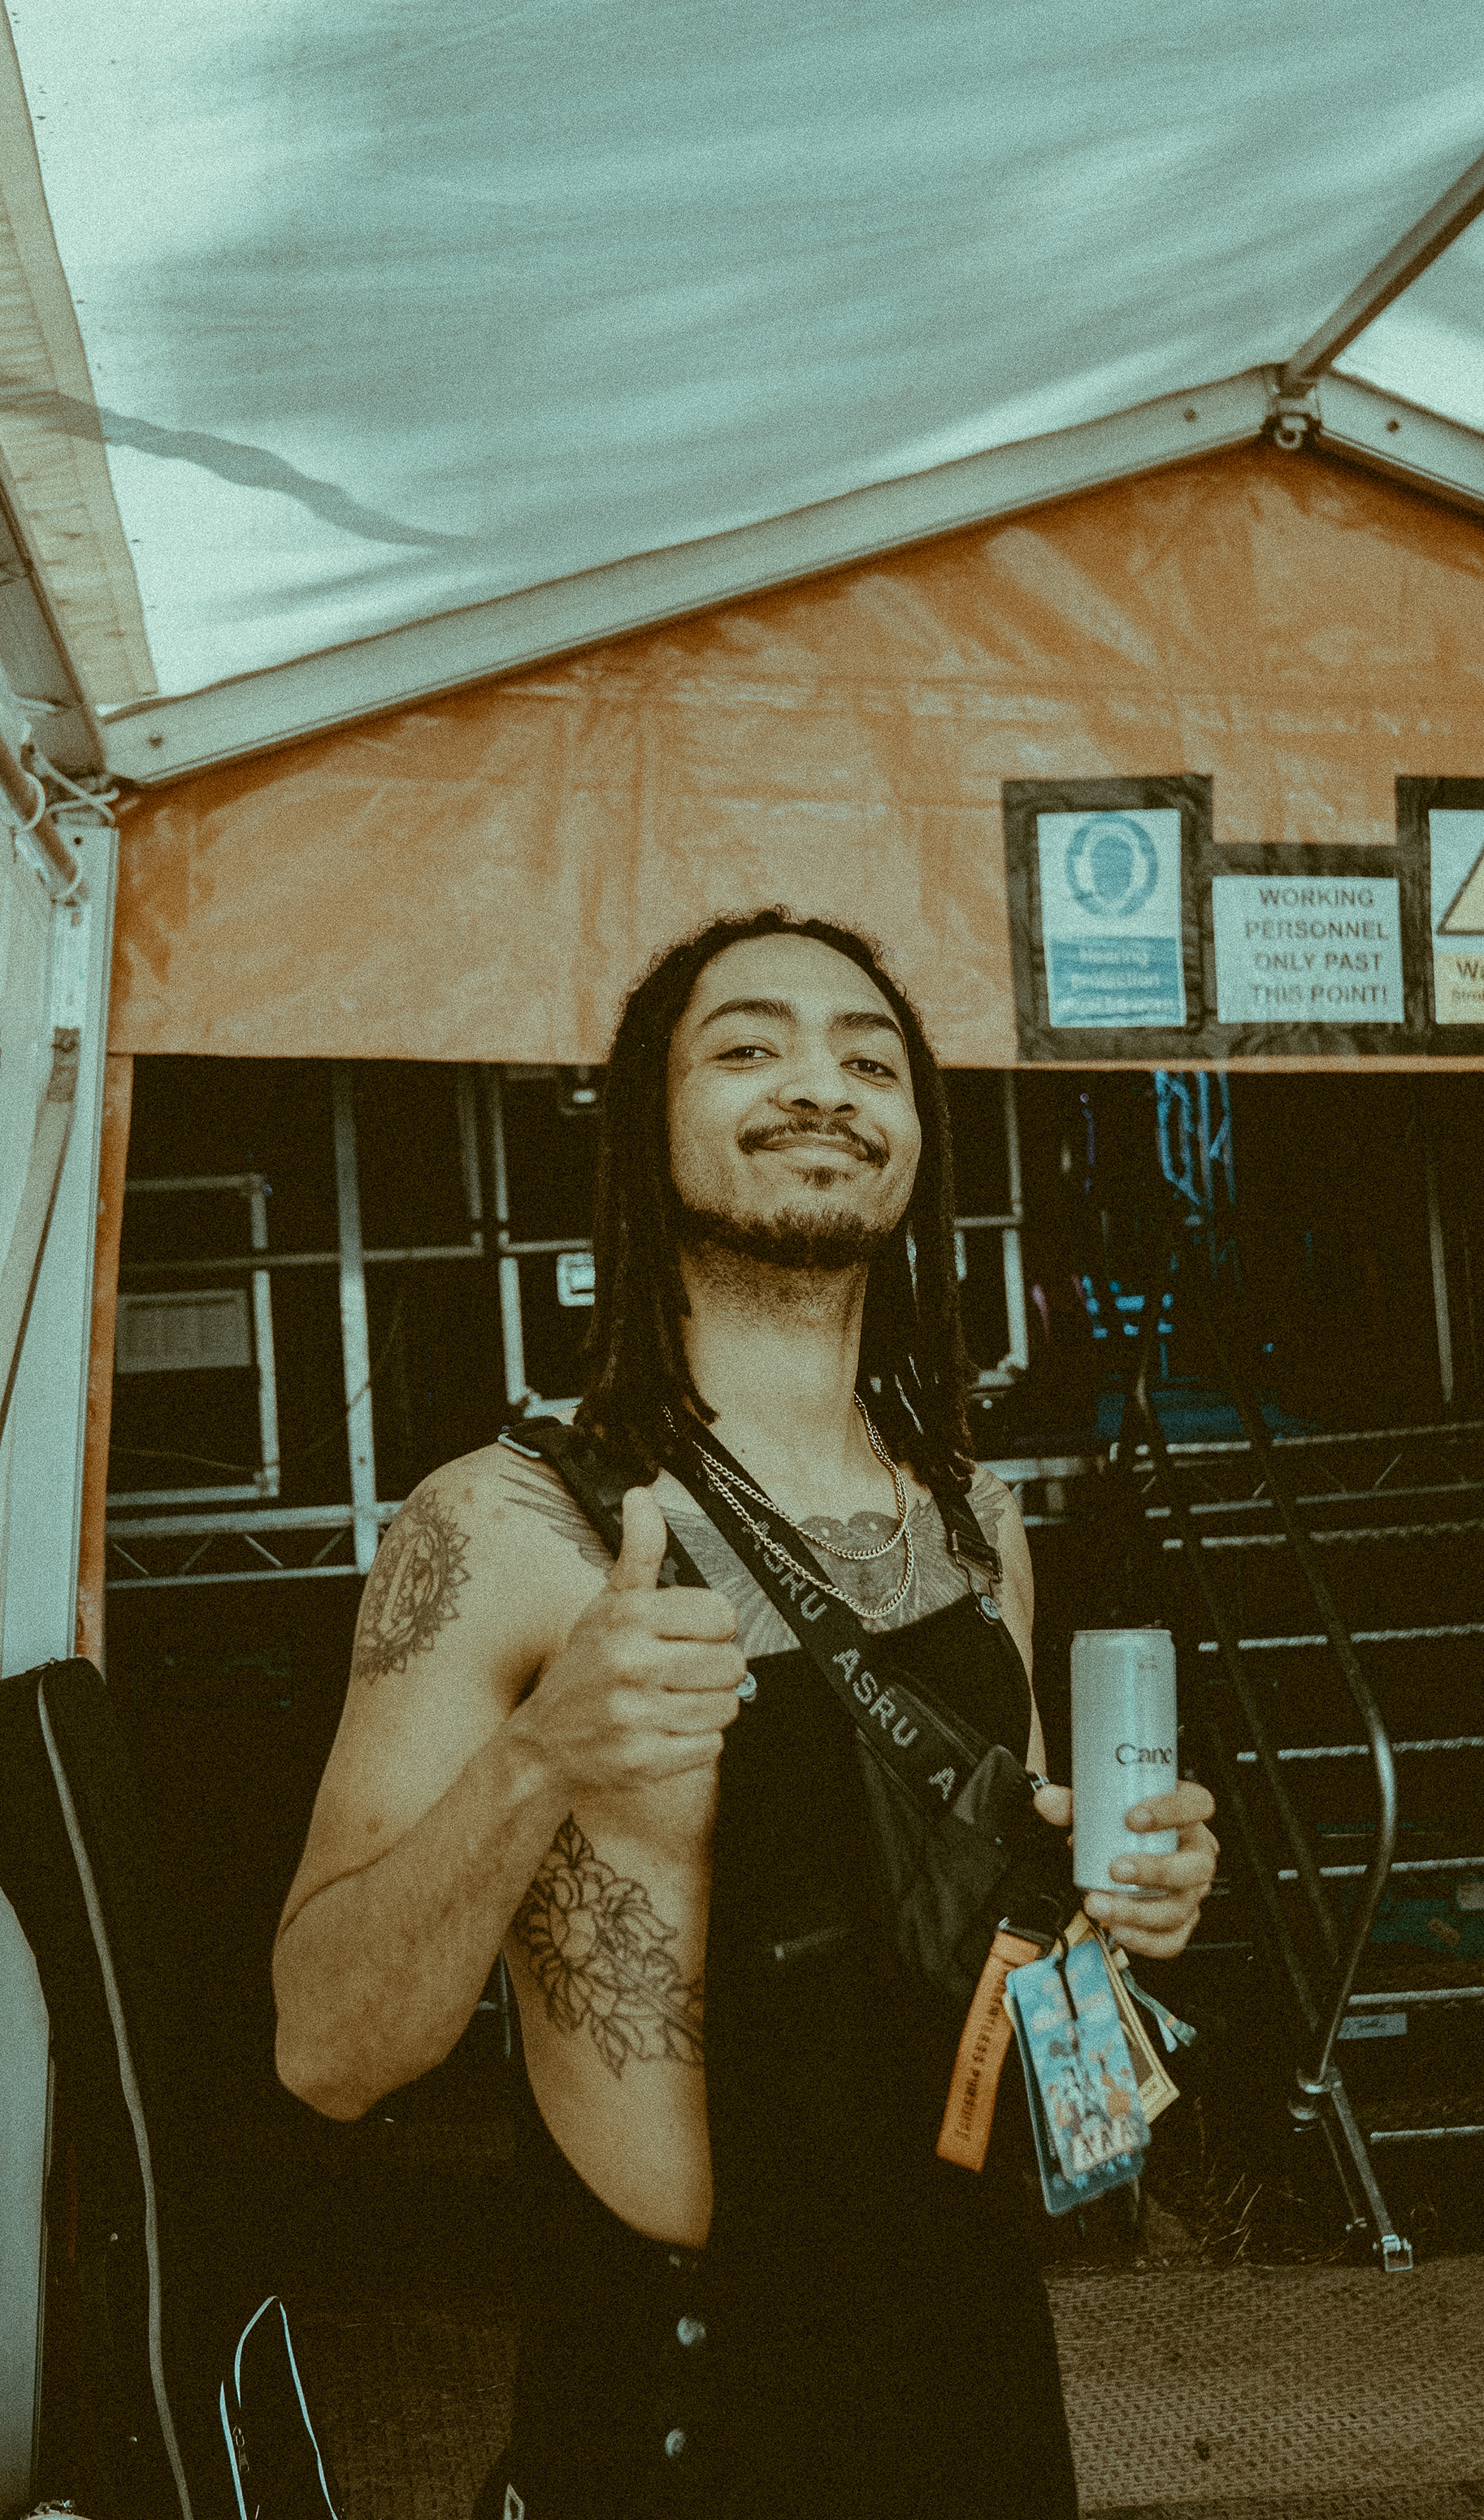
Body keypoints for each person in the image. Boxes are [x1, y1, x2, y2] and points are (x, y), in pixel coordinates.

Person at [273, 908, 1217, 2519]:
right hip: (685, 2410)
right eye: (749, 1046)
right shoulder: (502, 1526)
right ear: (648, 1125)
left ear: (917, 1137)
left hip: (975, 2363)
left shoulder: (977, 1519)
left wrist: (1127, 1910)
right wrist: (540, 1756)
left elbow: (995, 1953)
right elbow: (324, 2053)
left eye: (872, 1059)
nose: (822, 1085)